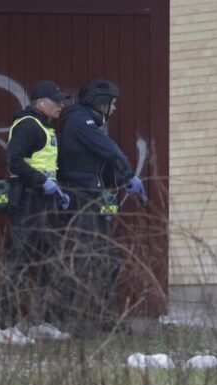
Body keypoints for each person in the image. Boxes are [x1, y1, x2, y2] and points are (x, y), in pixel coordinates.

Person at [57, 78, 144, 335]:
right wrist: (128, 174)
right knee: (85, 259)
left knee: (108, 260)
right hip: (81, 198)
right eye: (112, 103)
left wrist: (120, 181)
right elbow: (109, 150)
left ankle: (106, 318)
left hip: (94, 197)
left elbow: (95, 167)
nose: (115, 108)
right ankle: (79, 322)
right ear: (100, 101)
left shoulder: (91, 124)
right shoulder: (79, 121)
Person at [0, 80, 72, 345]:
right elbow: (12, 160)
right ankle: (6, 329)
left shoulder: (44, 127)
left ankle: (41, 322)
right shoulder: (29, 125)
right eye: (56, 100)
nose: (61, 105)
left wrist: (57, 190)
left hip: (44, 203)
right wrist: (43, 182)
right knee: (19, 264)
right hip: (28, 202)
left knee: (50, 262)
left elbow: (43, 165)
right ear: (41, 102)